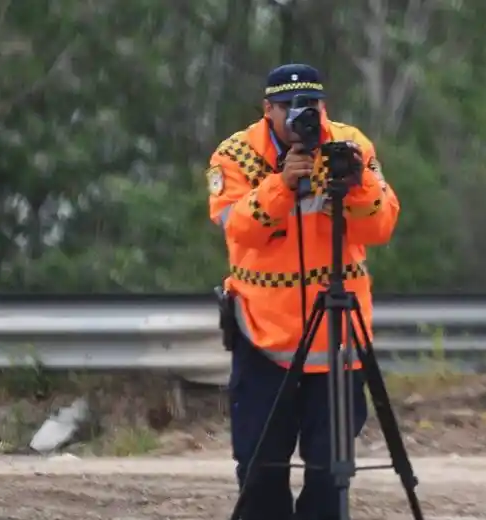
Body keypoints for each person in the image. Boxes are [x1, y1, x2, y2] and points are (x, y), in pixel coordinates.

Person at [204, 63, 400, 520]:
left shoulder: (349, 145)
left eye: (310, 104)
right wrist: (282, 184)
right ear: (267, 109)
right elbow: (239, 230)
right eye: (288, 106)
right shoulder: (236, 155)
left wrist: (357, 184)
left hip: (337, 340)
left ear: (323, 104)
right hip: (263, 340)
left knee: (331, 476)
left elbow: (381, 226)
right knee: (260, 471)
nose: (301, 115)